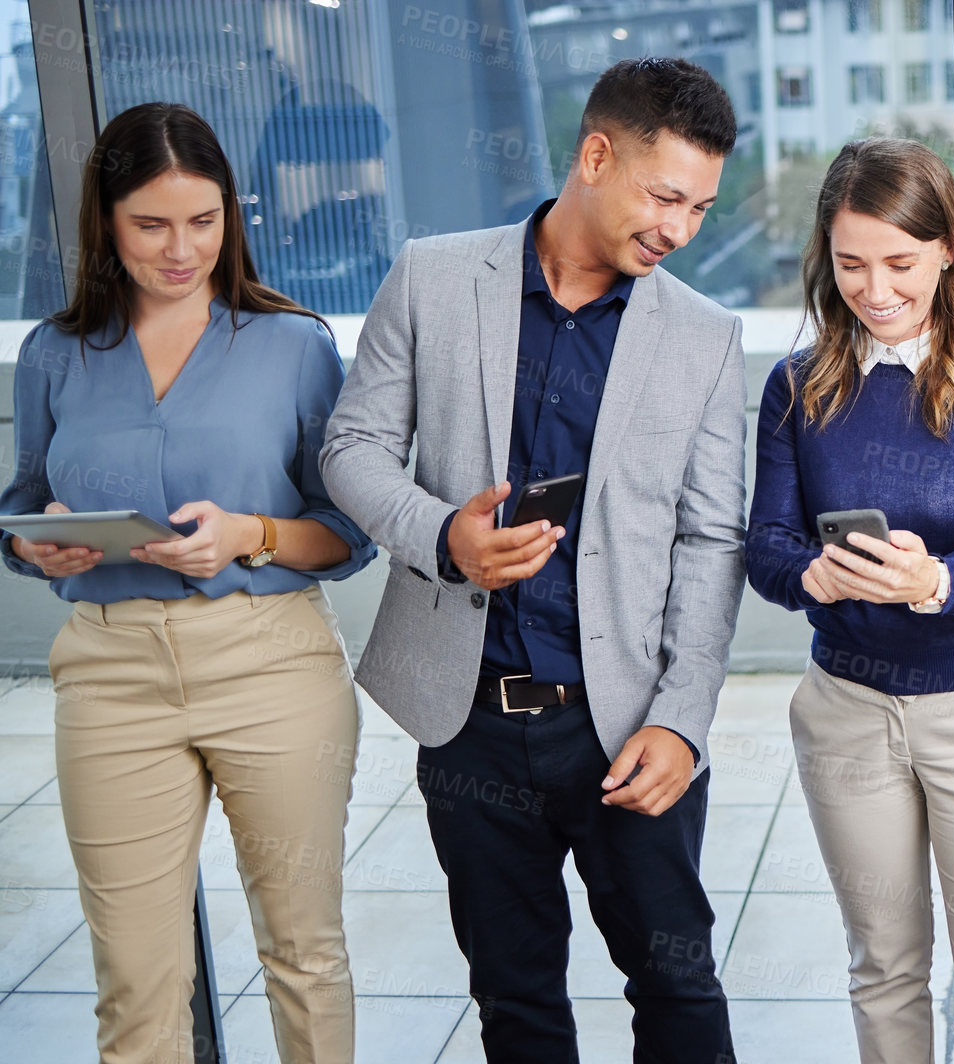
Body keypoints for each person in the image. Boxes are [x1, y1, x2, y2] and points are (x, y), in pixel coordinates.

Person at [318, 58, 745, 1062]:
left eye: (701, 207)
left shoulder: (704, 336)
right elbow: (351, 449)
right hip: (466, 721)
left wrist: (681, 723)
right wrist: (442, 536)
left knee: (679, 985)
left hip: (627, 725)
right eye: (666, 196)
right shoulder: (433, 275)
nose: (681, 230)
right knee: (516, 1000)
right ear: (596, 155)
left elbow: (711, 538)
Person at [0, 102, 375, 1064]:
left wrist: (248, 534)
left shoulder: (294, 347)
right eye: (151, 225)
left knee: (303, 955)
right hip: (110, 672)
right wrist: (34, 545)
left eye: (203, 222)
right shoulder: (52, 354)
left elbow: (346, 535)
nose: (181, 250)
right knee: (136, 983)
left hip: (272, 666)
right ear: (105, 222)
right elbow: (28, 499)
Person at [746, 137, 954, 1063]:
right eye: (850, 264)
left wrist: (934, 582)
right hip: (846, 712)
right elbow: (765, 549)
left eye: (900, 263)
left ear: (946, 251)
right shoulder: (794, 387)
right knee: (882, 972)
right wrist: (812, 573)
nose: (875, 289)